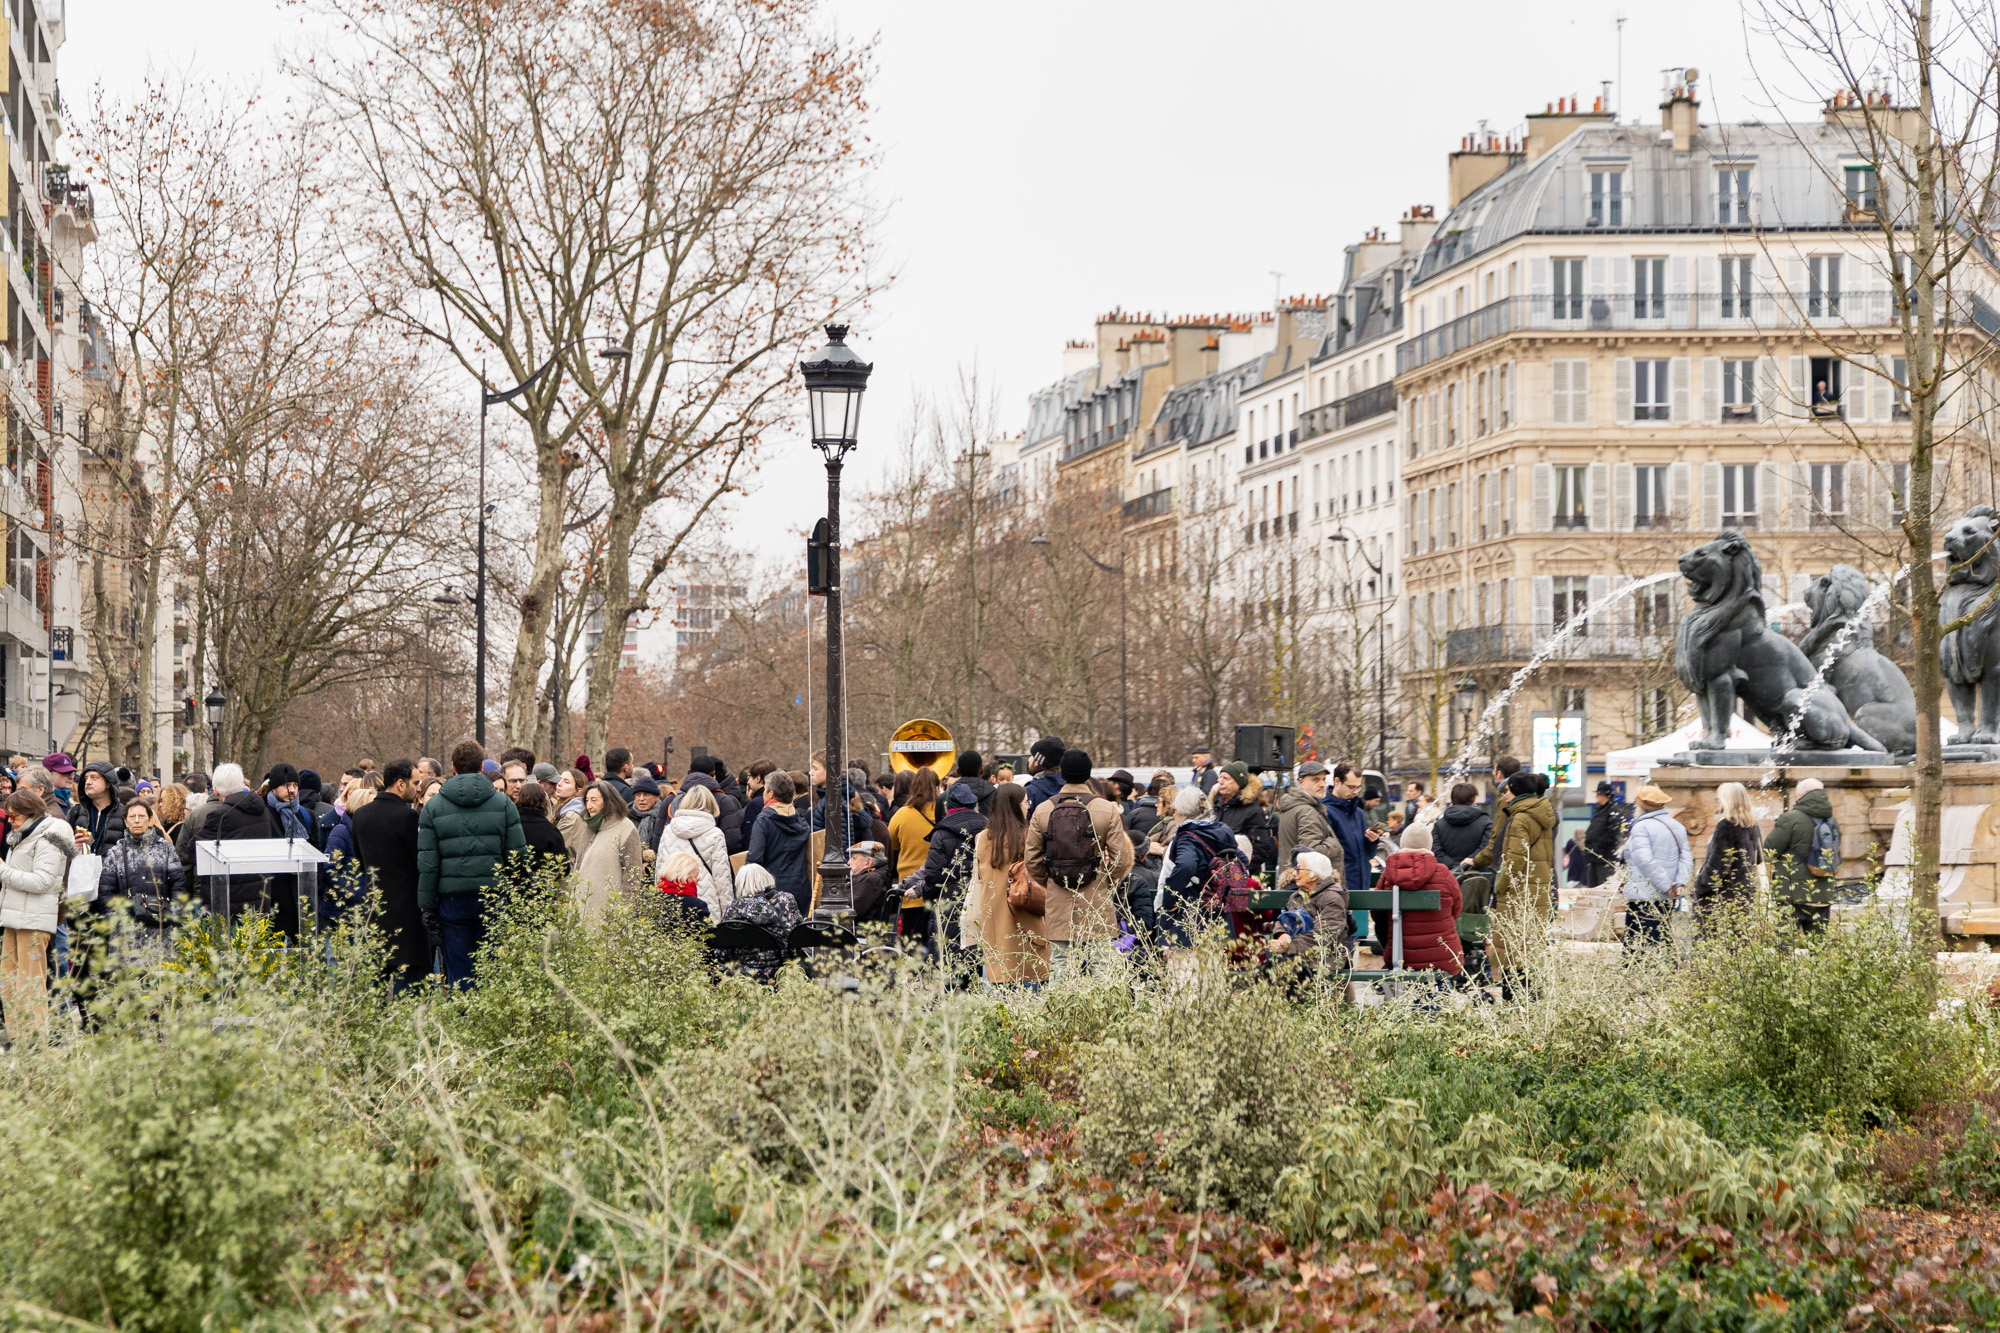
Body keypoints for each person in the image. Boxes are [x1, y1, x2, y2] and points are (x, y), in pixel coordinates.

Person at [417, 740, 527, 987]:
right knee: (490, 968)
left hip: (452, 900)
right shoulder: (503, 803)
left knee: (458, 969)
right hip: (492, 895)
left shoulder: (433, 807)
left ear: (453, 767)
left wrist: (427, 906)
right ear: (481, 767)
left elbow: (428, 862)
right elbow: (518, 857)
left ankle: (462, 1016)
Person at [1024, 749, 1135, 971]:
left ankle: (1061, 1006)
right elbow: (1121, 860)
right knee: (1100, 965)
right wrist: (1103, 882)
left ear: (1062, 773)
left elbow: (1032, 860)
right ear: (1088, 774)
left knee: (1060, 963)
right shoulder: (1106, 809)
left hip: (1058, 898)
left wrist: (1052, 881)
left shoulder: (1043, 810)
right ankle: (1101, 1007)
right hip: (1096, 897)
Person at [0, 790, 73, 1041]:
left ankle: (34, 1039)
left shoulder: (48, 838)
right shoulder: (23, 835)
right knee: (7, 981)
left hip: (33, 920)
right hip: (13, 918)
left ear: (30, 812)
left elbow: (43, 882)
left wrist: (2, 870)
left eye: (14, 815)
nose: (9, 820)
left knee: (30, 983)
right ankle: (16, 1035)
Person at [350, 759, 428, 987]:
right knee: (410, 993)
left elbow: (361, 861)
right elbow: (419, 863)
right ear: (401, 784)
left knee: (375, 995)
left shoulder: (361, 815)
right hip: (408, 917)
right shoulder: (408, 818)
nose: (419, 787)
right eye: (416, 782)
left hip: (374, 914)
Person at [966, 782, 1048, 986]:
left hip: (992, 915)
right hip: (1024, 911)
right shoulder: (1027, 837)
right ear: (1015, 806)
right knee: (1029, 972)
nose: (1028, 806)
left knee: (998, 973)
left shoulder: (982, 838)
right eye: (1025, 802)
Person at [900, 780, 988, 962]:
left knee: (947, 957)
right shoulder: (987, 827)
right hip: (982, 900)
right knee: (976, 955)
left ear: (948, 806)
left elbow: (933, 873)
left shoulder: (942, 833)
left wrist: (919, 889)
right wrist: (909, 884)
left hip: (949, 903)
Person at [1487, 769, 1558, 982]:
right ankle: (1530, 998)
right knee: (1529, 943)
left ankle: (1515, 1001)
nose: (1506, 793)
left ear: (1515, 791)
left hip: (1519, 889)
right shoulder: (1543, 813)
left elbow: (1515, 860)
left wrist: (1500, 885)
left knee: (1512, 946)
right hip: (1537, 886)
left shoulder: (1520, 819)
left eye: (1508, 789)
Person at [1377, 821, 1463, 976]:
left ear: (1403, 843)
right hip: (1442, 955)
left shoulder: (1387, 875)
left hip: (1401, 955)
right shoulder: (1443, 873)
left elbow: (1378, 914)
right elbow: (1456, 908)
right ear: (1429, 845)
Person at [1160, 787, 1239, 944]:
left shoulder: (1188, 836)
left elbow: (1186, 866)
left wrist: (1169, 900)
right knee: (1215, 967)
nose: (1173, 813)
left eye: (1174, 809)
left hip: (1192, 920)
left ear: (1183, 811)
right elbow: (1242, 860)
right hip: (1220, 916)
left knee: (1185, 968)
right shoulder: (1223, 830)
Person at [1765, 776, 1838, 934]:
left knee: (1784, 947)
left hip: (1792, 893)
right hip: (1823, 893)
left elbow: (1769, 850)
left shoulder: (1790, 818)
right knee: (1818, 948)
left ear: (1800, 796)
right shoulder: (1831, 820)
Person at [1621, 785, 1692, 949]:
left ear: (1641, 805)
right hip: (1667, 897)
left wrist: (1666, 886)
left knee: (1638, 946)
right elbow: (1686, 857)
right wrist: (1679, 884)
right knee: (1665, 939)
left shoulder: (1641, 827)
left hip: (1643, 897)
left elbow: (1644, 859)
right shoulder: (1677, 826)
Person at [1692, 780, 1763, 928]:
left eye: (1718, 799)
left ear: (1726, 801)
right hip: (1743, 897)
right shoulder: (1752, 825)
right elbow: (1757, 858)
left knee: (1712, 945)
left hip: (1721, 900)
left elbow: (1717, 867)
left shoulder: (1726, 825)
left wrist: (1699, 885)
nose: (1717, 803)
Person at [656, 784, 733, 920]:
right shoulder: (715, 834)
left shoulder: (669, 830)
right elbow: (722, 878)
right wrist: (728, 911)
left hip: (672, 900)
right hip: (707, 900)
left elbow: (660, 868)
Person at [716, 862, 802, 981]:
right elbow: (797, 937)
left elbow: (722, 950)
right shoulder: (786, 901)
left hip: (743, 977)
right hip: (782, 974)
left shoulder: (734, 908)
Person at [573, 780, 645, 922]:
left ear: (607, 801)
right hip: (583, 910)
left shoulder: (625, 828)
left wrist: (623, 912)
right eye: (586, 800)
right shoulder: (588, 827)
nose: (589, 805)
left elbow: (632, 875)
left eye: (594, 800)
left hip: (609, 915)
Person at [746, 770, 812, 915]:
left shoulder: (763, 820)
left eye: (764, 790)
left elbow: (754, 858)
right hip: (801, 887)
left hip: (773, 891)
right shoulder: (801, 820)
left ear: (771, 794)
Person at [1268, 849, 1349, 966]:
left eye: (1298, 869)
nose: (1294, 873)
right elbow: (1283, 920)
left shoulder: (1332, 897)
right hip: (1296, 957)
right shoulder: (1298, 895)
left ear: (1314, 875)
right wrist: (1282, 935)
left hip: (1322, 961)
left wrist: (1289, 946)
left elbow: (1323, 937)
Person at [887, 767, 940, 918]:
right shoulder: (944, 812)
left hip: (909, 887)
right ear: (937, 789)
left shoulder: (902, 814)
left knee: (910, 937)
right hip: (937, 886)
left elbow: (892, 845)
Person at [1276, 760, 1342, 872]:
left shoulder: (1294, 806)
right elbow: (1310, 853)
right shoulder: (1307, 811)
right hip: (1310, 884)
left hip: (1295, 880)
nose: (1322, 784)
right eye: (1315, 779)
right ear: (1301, 783)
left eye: (1323, 779)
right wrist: (1334, 844)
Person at [322, 782, 374, 923]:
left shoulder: (374, 833)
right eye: (371, 805)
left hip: (369, 912)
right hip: (343, 913)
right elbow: (329, 869)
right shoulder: (341, 831)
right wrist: (353, 894)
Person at [1212, 761, 1276, 877]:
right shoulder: (1216, 805)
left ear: (1238, 784)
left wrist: (1239, 871)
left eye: (1225, 778)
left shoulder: (1253, 810)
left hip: (1241, 879)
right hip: (1215, 875)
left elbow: (1261, 848)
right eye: (1220, 777)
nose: (1220, 781)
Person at [68, 762, 128, 855]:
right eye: (86, 778)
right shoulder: (75, 812)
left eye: (94, 777)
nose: (88, 782)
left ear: (108, 783)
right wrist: (73, 846)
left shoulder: (125, 814)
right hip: (83, 867)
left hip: (111, 868)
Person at [1433, 783, 1491, 867]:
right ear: (1473, 799)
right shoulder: (1486, 821)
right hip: (1479, 873)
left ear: (1452, 799)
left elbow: (1436, 851)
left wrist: (1454, 866)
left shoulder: (1439, 824)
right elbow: (1487, 848)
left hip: (1447, 874)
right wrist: (1469, 862)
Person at [1582, 783, 1629, 887]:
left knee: (1603, 888)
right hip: (1593, 857)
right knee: (1592, 889)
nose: (1596, 797)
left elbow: (1611, 834)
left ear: (1603, 795)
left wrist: (1597, 847)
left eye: (1598, 794)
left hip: (1604, 858)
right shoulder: (1600, 810)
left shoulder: (1613, 811)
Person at [652, 852, 714, 930]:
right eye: (696, 876)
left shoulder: (648, 900)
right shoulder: (697, 905)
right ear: (685, 876)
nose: (696, 881)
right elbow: (711, 936)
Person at [1022, 736, 1067, 813]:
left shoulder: (1030, 792)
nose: (1029, 759)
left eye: (1032, 756)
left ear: (1037, 762)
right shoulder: (1069, 787)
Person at [629, 774, 666, 854]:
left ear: (657, 797)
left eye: (647, 794)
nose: (641, 799)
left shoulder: (663, 817)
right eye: (638, 795)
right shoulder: (626, 816)